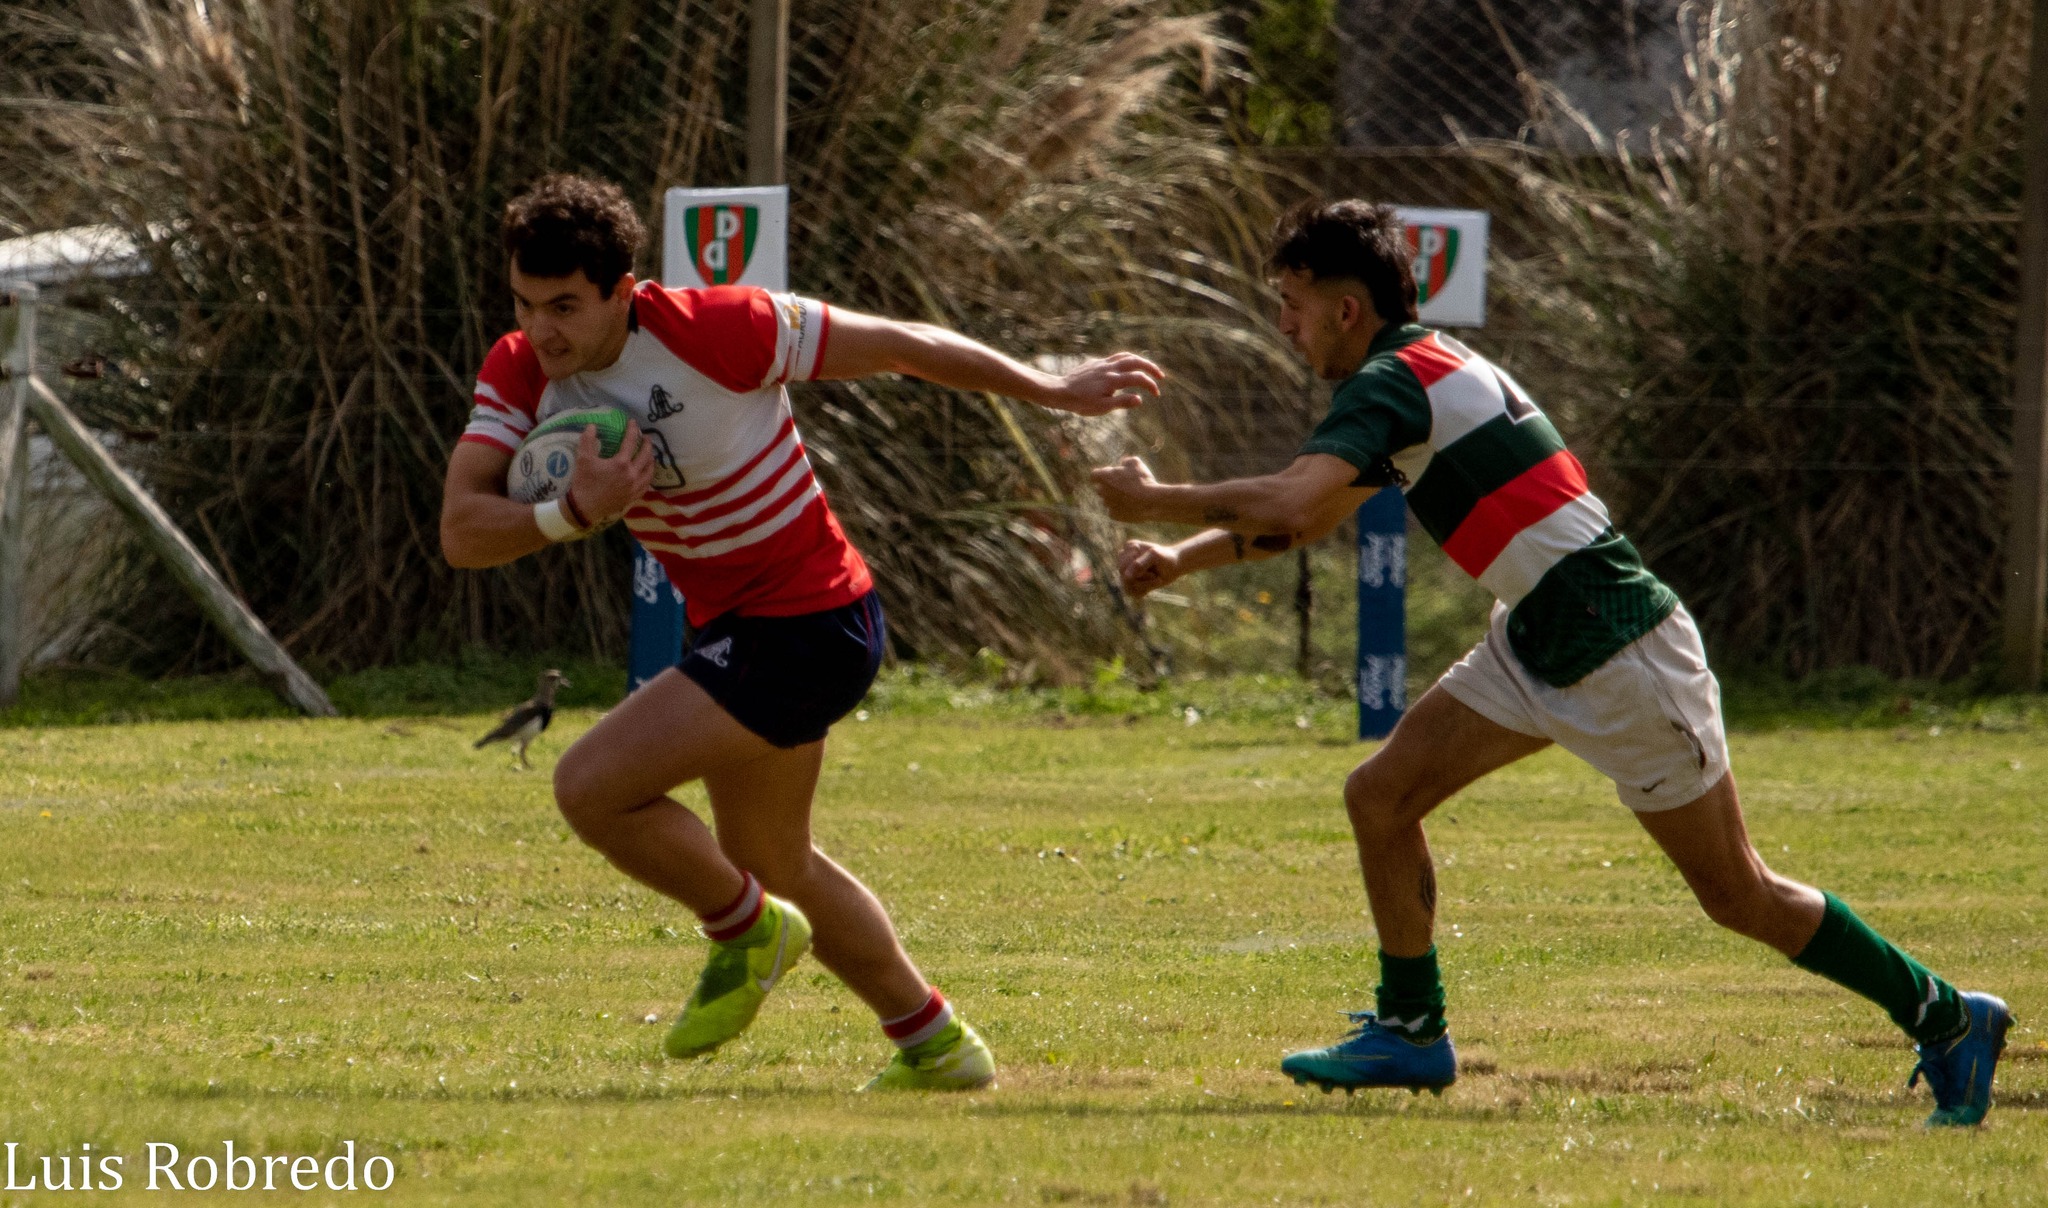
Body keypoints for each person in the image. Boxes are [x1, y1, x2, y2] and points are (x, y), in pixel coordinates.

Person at [1089, 199, 2010, 1127]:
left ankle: (1947, 1015)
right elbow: (1313, 516)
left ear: (1348, 307)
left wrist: (1155, 500)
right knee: (1380, 795)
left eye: (1291, 301)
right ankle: (1412, 1032)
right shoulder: (1423, 367)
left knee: (1738, 893)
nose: (1283, 324)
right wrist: (1179, 558)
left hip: (1617, 646)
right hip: (1537, 630)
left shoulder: (1387, 381)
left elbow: (1289, 504)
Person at [440, 174, 1162, 1090]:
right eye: (526, 303)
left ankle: (748, 929)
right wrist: (572, 509)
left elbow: (904, 344)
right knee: (774, 857)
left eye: (567, 307)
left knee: (592, 787)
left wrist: (1050, 386)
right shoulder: (518, 370)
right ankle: (935, 1042)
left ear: (625, 291)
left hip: (813, 619)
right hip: (738, 630)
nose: (544, 330)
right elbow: (462, 532)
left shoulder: (724, 328)